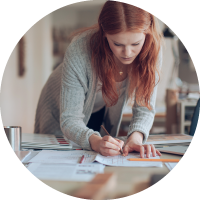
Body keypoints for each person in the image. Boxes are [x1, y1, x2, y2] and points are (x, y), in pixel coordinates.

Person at [34, 0, 162, 158]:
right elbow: (70, 119)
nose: (127, 53)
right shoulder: (79, 49)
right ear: (104, 33)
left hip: (100, 109)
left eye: (135, 43)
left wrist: (136, 138)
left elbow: (145, 107)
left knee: (100, 158)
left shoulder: (151, 50)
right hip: (60, 107)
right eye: (118, 43)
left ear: (147, 33)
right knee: (55, 160)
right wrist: (94, 141)